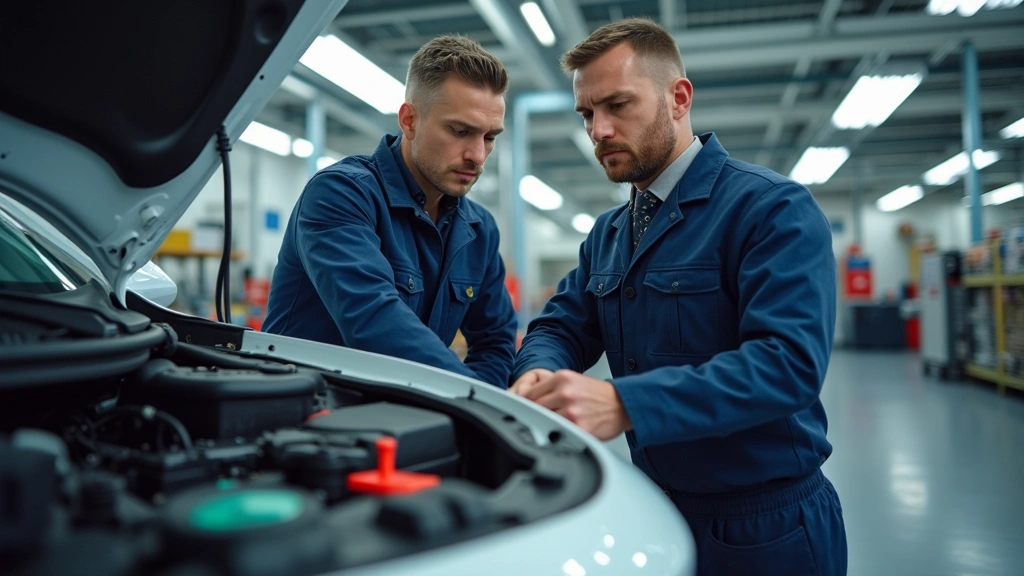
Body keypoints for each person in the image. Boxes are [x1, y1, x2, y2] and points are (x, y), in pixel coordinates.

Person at [510, 18, 847, 575]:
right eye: (587, 114)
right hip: (655, 511)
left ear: (679, 97)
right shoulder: (610, 234)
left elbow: (788, 365)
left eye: (617, 105)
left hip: (766, 526)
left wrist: (624, 404)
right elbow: (559, 327)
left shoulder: (770, 209)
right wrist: (537, 373)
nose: (599, 130)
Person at [263, 36, 516, 389]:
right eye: (461, 131)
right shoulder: (341, 194)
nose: (477, 154)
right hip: (303, 418)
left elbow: (496, 342)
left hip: (411, 419)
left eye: (490, 137)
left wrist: (479, 417)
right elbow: (375, 321)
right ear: (409, 120)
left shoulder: (479, 229)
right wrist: (474, 399)